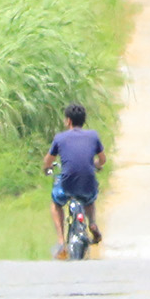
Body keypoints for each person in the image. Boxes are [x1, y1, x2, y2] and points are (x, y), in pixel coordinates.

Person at [43, 103, 105, 252]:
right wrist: (96, 165)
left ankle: (60, 241)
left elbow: (48, 161)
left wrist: (46, 169)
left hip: (67, 186)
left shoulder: (60, 138)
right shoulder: (93, 135)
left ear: (69, 121)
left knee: (56, 202)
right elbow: (102, 160)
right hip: (88, 185)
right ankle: (92, 223)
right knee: (89, 200)